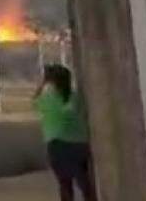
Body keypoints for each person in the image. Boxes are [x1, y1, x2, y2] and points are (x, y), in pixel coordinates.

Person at [34, 64, 96, 201]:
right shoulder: (75, 98)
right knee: (84, 182)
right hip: (79, 144)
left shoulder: (46, 99)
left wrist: (44, 84)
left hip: (57, 145)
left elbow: (37, 98)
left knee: (65, 184)